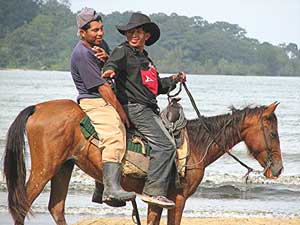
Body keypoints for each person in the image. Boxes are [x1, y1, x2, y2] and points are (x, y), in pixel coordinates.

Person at [102, 12, 186, 209]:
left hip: (148, 107)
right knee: (166, 145)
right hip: (135, 108)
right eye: (130, 32)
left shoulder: (145, 59)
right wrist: (110, 70)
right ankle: (154, 192)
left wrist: (174, 79)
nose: (133, 35)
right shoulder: (123, 51)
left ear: (146, 36)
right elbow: (112, 64)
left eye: (138, 32)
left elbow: (156, 87)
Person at [70, 7, 136, 206]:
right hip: (94, 99)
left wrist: (107, 59)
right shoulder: (82, 54)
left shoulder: (100, 46)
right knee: (114, 134)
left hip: (105, 95)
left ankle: (100, 185)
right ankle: (110, 189)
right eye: (94, 31)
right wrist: (121, 111)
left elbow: (109, 71)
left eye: (101, 29)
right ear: (83, 33)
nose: (100, 34)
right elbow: (102, 88)